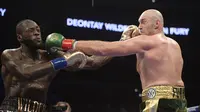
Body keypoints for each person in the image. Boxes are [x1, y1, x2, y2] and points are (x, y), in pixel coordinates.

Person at [46, 9, 188, 112]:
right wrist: (133, 38)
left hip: (158, 101)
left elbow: (104, 49)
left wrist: (68, 43)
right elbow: (143, 68)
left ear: (157, 24)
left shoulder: (148, 41)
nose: (139, 26)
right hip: (179, 101)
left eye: (143, 22)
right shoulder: (174, 45)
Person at [0, 19, 113, 112]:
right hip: (12, 109)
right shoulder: (9, 54)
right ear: (20, 37)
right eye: (31, 30)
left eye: (38, 30)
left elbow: (93, 63)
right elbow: (25, 73)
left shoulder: (50, 56)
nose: (36, 32)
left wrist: (120, 44)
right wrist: (63, 61)